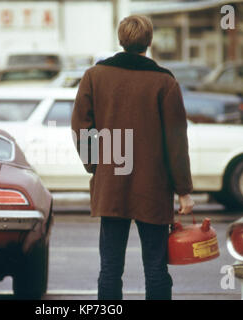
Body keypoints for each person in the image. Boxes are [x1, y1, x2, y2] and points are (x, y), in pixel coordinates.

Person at [71, 15, 194, 300]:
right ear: (149, 42)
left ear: (121, 40)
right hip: (153, 187)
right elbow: (176, 140)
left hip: (111, 183)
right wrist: (184, 191)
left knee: (110, 268)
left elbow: (81, 126)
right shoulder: (164, 82)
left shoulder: (94, 76)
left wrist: (95, 165)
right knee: (156, 267)